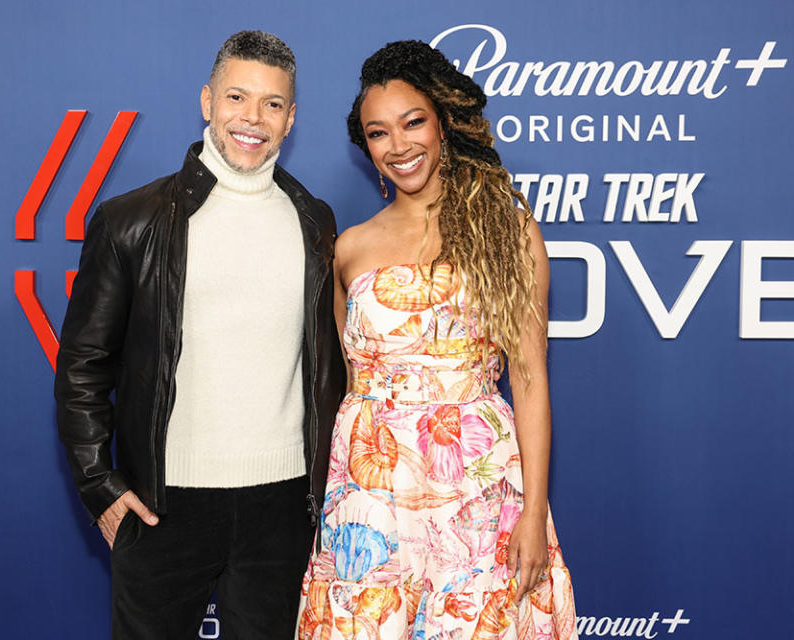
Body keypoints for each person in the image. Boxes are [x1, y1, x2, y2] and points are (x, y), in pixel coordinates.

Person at [55, 31, 345, 639]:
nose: (252, 118)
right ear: (207, 101)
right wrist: (100, 486)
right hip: (163, 504)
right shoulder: (129, 219)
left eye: (272, 104)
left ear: (290, 120)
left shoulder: (314, 221)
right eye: (238, 97)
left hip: (283, 505)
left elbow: (330, 366)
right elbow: (83, 365)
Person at [296, 41, 578, 639]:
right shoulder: (349, 249)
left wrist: (532, 513)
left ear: (444, 123)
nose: (398, 146)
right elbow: (346, 382)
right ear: (366, 148)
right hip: (372, 494)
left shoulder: (507, 231)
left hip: (477, 487)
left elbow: (529, 379)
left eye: (413, 122)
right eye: (378, 133)